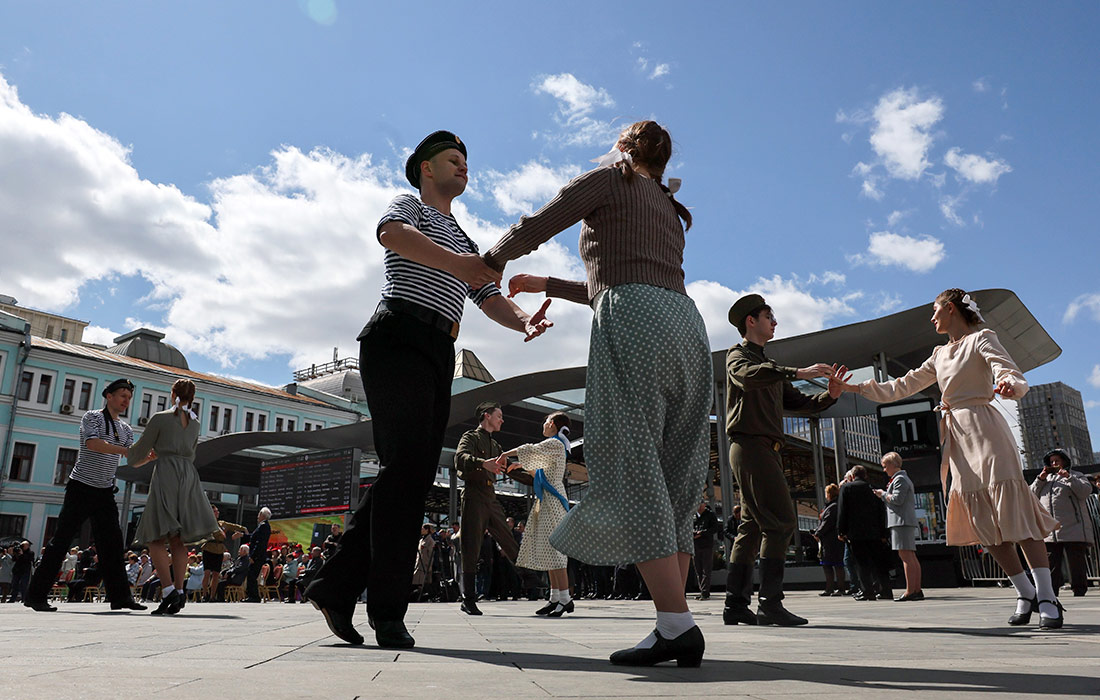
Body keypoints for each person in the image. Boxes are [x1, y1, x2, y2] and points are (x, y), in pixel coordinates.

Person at [303, 130, 551, 649]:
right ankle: (387, 611)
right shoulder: (410, 207)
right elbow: (391, 235)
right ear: (425, 168)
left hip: (440, 349)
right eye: (452, 159)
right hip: (397, 336)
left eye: (466, 161)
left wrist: (523, 320)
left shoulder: (463, 237)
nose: (464, 166)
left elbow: (487, 295)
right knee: (407, 469)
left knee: (410, 473)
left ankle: (334, 587)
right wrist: (463, 265)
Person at [486, 121, 711, 667]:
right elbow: (623, 273)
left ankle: (678, 624)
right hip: (687, 326)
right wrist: (548, 285)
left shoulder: (613, 177)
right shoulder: (666, 204)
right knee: (677, 474)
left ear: (624, 146)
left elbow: (543, 222)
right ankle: (671, 621)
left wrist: (493, 259)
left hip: (632, 320)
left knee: (632, 462)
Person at [833, 289, 1063, 627]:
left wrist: (1010, 385)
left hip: (986, 429)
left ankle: (1046, 595)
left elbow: (1006, 368)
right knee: (985, 524)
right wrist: (852, 388)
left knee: (1015, 512)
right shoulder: (939, 354)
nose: (932, 318)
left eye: (935, 310)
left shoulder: (982, 338)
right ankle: (1024, 591)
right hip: (958, 438)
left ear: (951, 309)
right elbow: (901, 386)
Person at [721, 293, 847, 627]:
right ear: (751, 321)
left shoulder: (770, 368)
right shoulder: (738, 356)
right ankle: (770, 604)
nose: (775, 322)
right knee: (780, 521)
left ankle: (735, 605)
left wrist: (830, 395)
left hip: (764, 450)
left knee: (751, 526)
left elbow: (801, 402)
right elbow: (748, 375)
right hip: (751, 446)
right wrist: (797, 370)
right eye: (769, 317)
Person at [24, 378, 153, 612]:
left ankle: (120, 598)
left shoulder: (125, 429)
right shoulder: (92, 417)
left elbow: (132, 460)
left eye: (129, 397)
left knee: (113, 544)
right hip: (81, 488)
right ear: (109, 396)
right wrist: (126, 451)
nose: (126, 401)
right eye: (122, 395)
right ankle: (35, 596)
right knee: (61, 541)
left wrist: (148, 457)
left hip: (104, 491)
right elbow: (93, 444)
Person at [128, 378, 220, 615]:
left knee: (155, 537)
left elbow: (138, 452)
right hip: (189, 477)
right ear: (193, 397)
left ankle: (168, 590)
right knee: (178, 540)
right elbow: (191, 453)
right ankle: (179, 591)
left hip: (167, 474)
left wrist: (136, 457)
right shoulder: (195, 423)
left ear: (172, 394)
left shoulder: (160, 418)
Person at [454, 402, 529, 615]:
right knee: (471, 546)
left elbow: (511, 469)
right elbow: (460, 458)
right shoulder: (470, 437)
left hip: (490, 495)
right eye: (499, 416)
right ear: (487, 416)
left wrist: (539, 479)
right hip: (473, 492)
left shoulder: (496, 446)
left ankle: (528, 576)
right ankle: (468, 599)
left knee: (507, 536)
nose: (502, 420)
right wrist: (481, 463)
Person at [496, 412, 573, 616]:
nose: (544, 424)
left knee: (555, 551)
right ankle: (555, 597)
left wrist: (505, 455)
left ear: (553, 424)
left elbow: (529, 449)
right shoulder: (555, 446)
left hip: (553, 500)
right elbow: (538, 472)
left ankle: (565, 598)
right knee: (549, 550)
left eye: (546, 421)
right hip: (547, 500)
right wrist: (519, 465)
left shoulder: (555, 443)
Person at [1031, 449, 1094, 597]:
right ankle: (1052, 592)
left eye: (1057, 461)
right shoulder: (1045, 479)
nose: (1054, 464)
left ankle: (1079, 590)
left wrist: (1069, 478)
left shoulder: (1077, 476)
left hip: (1073, 527)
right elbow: (1030, 496)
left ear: (1065, 461)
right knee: (1051, 563)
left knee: (1076, 562)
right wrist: (1040, 479)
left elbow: (1085, 492)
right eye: (1051, 461)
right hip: (1050, 530)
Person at [837, 466, 892, 601]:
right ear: (865, 475)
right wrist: (884, 533)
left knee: (861, 563)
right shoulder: (873, 489)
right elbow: (881, 511)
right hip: (875, 532)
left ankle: (867, 591)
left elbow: (842, 510)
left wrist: (841, 530)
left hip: (856, 532)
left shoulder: (847, 488)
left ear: (852, 476)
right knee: (878, 563)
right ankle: (885, 590)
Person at [874, 452, 923, 601]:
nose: (884, 470)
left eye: (885, 466)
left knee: (905, 556)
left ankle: (910, 591)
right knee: (910, 555)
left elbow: (897, 499)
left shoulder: (899, 479)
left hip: (901, 521)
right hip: (904, 521)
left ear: (892, 464)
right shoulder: (902, 478)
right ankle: (916, 589)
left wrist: (883, 494)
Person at [198, 505, 248, 602]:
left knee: (216, 574)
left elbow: (232, 526)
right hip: (209, 548)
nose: (217, 513)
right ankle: (205, 594)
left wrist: (243, 528)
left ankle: (212, 596)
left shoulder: (222, 524)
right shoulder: (207, 523)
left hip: (219, 549)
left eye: (217, 511)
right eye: (214, 511)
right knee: (207, 573)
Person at [814, 484, 846, 596]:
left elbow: (827, 522)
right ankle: (837, 588)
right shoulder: (835, 505)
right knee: (837, 564)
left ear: (828, 494)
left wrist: (817, 533)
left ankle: (832, 588)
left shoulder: (832, 507)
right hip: (833, 540)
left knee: (830, 565)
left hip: (830, 540)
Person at [692, 502, 720, 600]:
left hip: (706, 545)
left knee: (706, 569)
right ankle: (702, 590)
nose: (699, 506)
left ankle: (705, 591)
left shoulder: (710, 515)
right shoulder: (693, 515)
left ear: (704, 505)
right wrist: (694, 533)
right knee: (698, 569)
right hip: (696, 545)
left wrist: (702, 533)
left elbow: (715, 528)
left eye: (700, 504)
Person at [243, 507, 272, 603]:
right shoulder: (263, 526)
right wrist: (243, 535)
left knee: (252, 575)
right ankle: (252, 595)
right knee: (251, 574)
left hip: (258, 556)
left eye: (259, 514)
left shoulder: (263, 526)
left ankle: (254, 596)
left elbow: (259, 543)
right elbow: (253, 537)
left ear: (263, 515)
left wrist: (253, 556)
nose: (257, 516)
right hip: (258, 555)